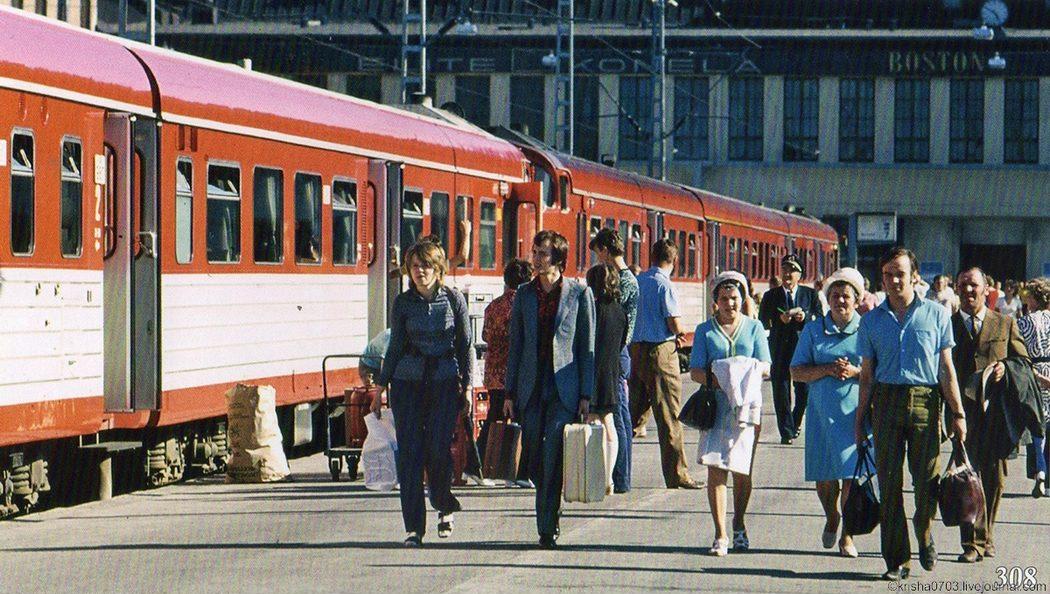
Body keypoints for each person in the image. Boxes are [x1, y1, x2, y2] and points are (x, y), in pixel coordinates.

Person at [854, 246, 968, 581]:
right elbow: (866, 375)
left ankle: (924, 528)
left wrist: (958, 413)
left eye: (900, 274)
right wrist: (859, 420)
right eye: (887, 275)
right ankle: (896, 560)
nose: (893, 281)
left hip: (925, 401)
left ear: (915, 277)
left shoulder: (936, 314)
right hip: (885, 402)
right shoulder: (871, 321)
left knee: (927, 482)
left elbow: (946, 369)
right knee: (889, 484)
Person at [371, 240, 474, 546]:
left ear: (438, 269)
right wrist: (380, 387)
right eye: (415, 266)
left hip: (443, 382)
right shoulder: (403, 303)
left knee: (438, 449)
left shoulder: (453, 299)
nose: (420, 271)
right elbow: (395, 346)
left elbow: (465, 345)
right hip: (407, 384)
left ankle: (443, 503)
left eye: (426, 265)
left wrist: (468, 386)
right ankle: (414, 529)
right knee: (410, 456)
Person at [503, 230, 595, 549]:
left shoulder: (580, 294)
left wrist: (586, 395)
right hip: (531, 384)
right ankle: (546, 503)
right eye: (534, 252)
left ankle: (547, 524)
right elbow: (515, 345)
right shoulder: (524, 294)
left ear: (558, 258)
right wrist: (509, 392)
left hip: (563, 388)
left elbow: (586, 347)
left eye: (542, 253)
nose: (536, 258)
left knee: (553, 450)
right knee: (532, 453)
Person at [951, 267, 1030, 562]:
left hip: (996, 413)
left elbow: (1022, 362)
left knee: (995, 478)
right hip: (962, 412)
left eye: (973, 285)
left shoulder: (1004, 323)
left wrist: (1004, 369)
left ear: (986, 289)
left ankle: (988, 534)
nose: (968, 291)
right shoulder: (947, 325)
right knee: (967, 476)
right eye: (962, 285)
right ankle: (972, 543)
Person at [790, 267, 870, 559]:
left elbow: (878, 371)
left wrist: (855, 372)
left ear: (857, 299)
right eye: (835, 295)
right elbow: (796, 372)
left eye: (846, 296)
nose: (840, 301)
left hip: (854, 415)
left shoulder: (867, 329)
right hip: (821, 416)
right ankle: (832, 516)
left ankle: (847, 534)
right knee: (825, 479)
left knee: (850, 476)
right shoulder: (814, 330)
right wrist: (826, 369)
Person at [690, 271, 771, 556]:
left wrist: (744, 372)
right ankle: (720, 533)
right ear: (716, 301)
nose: (729, 304)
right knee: (716, 469)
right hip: (716, 406)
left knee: (741, 470)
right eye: (724, 299)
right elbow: (695, 371)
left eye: (734, 298)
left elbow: (766, 366)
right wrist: (721, 378)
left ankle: (739, 523)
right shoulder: (705, 330)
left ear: (743, 299)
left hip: (747, 408)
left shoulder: (755, 328)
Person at [630, 239, 703, 489]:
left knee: (631, 415)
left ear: (652, 256)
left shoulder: (638, 281)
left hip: (636, 351)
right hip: (660, 352)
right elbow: (674, 322)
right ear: (675, 260)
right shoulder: (665, 285)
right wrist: (681, 332)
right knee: (669, 415)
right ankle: (677, 475)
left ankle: (614, 472)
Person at [475, 258, 534, 488]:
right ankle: (514, 469)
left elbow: (485, 335)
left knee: (494, 417)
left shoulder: (493, 306)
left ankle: (478, 463)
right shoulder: (522, 305)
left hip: (493, 371)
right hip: (514, 372)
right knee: (519, 419)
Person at [590, 228, 639, 493]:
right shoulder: (626, 279)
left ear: (606, 250)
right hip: (616, 351)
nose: (598, 259)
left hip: (615, 353)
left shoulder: (624, 281)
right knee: (617, 416)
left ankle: (620, 478)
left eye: (598, 253)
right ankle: (618, 477)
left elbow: (618, 326)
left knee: (617, 416)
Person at [759, 254, 823, 444]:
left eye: (792, 270)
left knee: (803, 390)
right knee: (781, 390)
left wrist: (806, 317)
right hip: (779, 347)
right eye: (785, 269)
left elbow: (819, 317)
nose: (788, 274)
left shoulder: (809, 294)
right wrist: (778, 319)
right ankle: (786, 432)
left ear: (800, 275)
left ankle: (795, 422)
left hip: (803, 348)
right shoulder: (771, 296)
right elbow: (763, 321)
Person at [585, 263, 628, 493]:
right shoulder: (620, 311)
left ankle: (596, 476)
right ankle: (609, 479)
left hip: (593, 370)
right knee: (609, 422)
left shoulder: (592, 309)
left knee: (593, 421)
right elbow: (622, 343)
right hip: (611, 371)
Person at [1020, 278, 1050, 498]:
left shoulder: (1024, 322)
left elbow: (1018, 353)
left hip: (1034, 374)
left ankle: (1039, 469)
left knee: (1036, 425)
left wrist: (1037, 376)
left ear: (1034, 298)